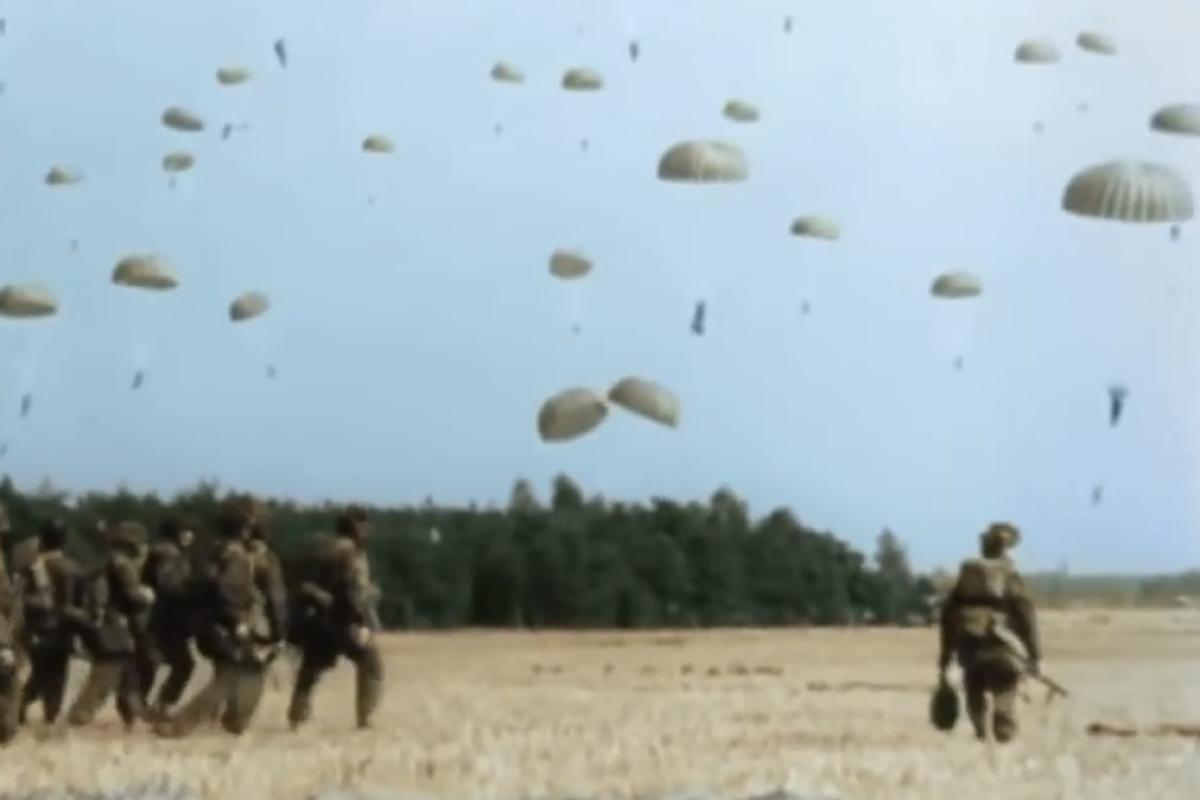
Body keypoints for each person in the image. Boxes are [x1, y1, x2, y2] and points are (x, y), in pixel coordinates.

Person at [154, 498, 273, 737]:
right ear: (245, 528)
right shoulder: (238, 555)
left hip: (206, 623)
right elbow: (230, 592)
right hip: (227, 624)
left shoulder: (212, 550)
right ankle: (183, 725)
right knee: (237, 673)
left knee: (233, 670)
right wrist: (238, 622)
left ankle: (232, 720)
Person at [937, 522, 1041, 743]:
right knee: (1004, 688)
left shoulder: (967, 574)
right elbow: (1026, 615)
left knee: (974, 686)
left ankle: (981, 734)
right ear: (1007, 547)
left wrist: (946, 658)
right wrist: (1035, 655)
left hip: (969, 645)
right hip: (1001, 644)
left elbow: (948, 616)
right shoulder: (1009, 574)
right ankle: (1003, 733)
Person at [287, 505, 383, 731]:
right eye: (364, 526)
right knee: (370, 662)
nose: (368, 531)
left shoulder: (327, 548)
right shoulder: (351, 553)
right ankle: (365, 718)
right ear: (356, 528)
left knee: (311, 667)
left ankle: (296, 716)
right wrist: (365, 618)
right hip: (341, 619)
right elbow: (352, 590)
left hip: (318, 619)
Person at [66, 521, 153, 729]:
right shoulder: (122, 564)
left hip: (106, 621)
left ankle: (134, 713)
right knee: (108, 669)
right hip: (111, 623)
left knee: (129, 672)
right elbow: (131, 595)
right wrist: (147, 596)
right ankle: (81, 713)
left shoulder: (110, 561)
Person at [17, 518, 82, 726]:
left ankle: (19, 706)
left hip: (35, 627)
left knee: (39, 673)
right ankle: (50, 716)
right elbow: (75, 602)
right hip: (60, 628)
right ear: (64, 540)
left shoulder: (31, 566)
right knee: (57, 675)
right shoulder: (70, 566)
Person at [138, 516, 197, 719]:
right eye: (186, 531)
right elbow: (170, 585)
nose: (191, 536)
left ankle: (142, 706)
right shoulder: (169, 554)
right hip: (166, 616)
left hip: (159, 616)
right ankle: (158, 706)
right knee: (182, 664)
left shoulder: (161, 551)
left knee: (152, 663)